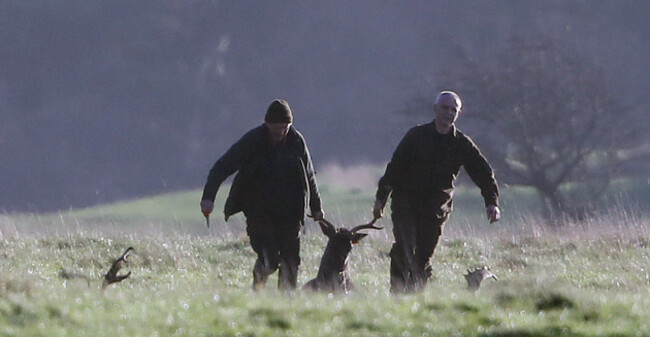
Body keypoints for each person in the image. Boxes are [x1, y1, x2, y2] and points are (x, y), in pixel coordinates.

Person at [372, 91, 501, 294]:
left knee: (423, 257)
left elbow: (483, 173)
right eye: (445, 108)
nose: (449, 113)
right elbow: (395, 167)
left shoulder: (461, 144)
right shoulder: (415, 136)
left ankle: (416, 296)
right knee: (405, 249)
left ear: (458, 113)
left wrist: (491, 202)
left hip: (436, 210)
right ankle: (397, 294)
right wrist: (381, 199)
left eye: (453, 110)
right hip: (406, 204)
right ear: (435, 109)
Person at [200, 99, 324, 291]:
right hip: (259, 212)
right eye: (277, 128)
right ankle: (257, 289)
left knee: (291, 260)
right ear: (267, 124)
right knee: (270, 258)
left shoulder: (296, 141)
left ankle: (287, 302)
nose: (282, 132)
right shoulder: (252, 142)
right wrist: (208, 197)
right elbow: (222, 167)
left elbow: (309, 176)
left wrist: (316, 207)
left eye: (285, 127)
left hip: (290, 213)